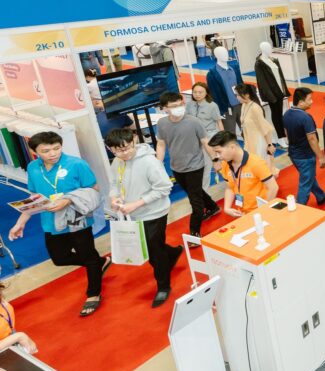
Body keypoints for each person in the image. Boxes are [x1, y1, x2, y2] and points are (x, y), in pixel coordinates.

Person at [9, 131, 108, 317]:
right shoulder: (33, 168)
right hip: (50, 222)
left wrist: (68, 200)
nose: (53, 153)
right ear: (34, 152)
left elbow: (94, 189)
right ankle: (98, 262)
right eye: (46, 151)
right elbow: (34, 198)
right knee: (59, 258)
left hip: (77, 218)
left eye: (57, 148)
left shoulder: (76, 164)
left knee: (87, 256)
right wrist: (20, 223)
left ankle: (93, 294)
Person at [105, 128, 181, 307]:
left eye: (127, 148)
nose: (124, 153)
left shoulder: (149, 162)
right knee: (150, 245)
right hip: (132, 214)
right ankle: (173, 252)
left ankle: (163, 286)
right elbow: (114, 183)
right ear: (110, 149)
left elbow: (164, 188)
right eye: (118, 150)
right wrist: (114, 197)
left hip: (154, 212)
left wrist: (136, 203)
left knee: (154, 253)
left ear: (134, 140)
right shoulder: (117, 162)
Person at [156, 92, 219, 240]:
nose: (179, 108)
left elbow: (205, 142)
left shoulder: (194, 122)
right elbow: (161, 144)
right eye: (174, 106)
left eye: (181, 104)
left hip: (195, 166)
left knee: (195, 200)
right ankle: (213, 207)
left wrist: (215, 160)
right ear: (164, 108)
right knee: (195, 191)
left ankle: (194, 233)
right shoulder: (162, 123)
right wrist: (158, 164)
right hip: (176, 167)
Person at [208, 131, 279, 216]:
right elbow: (229, 187)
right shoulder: (225, 164)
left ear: (232, 147)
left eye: (219, 152)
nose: (217, 156)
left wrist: (262, 211)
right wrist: (227, 208)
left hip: (261, 212)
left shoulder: (256, 163)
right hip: (243, 213)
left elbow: (273, 188)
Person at [283, 87, 325, 206]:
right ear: (301, 102)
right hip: (305, 156)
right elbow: (312, 139)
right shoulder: (305, 117)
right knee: (305, 183)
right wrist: (321, 157)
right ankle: (299, 209)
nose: (312, 101)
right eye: (309, 99)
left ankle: (320, 196)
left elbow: (286, 133)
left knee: (309, 176)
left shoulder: (287, 114)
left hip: (293, 154)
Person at [233, 83, 277, 167]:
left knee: (261, 166)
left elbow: (265, 128)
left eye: (238, 95)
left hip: (258, 142)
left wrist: (269, 145)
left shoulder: (255, 108)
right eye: (236, 95)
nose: (237, 97)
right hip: (249, 141)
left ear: (247, 95)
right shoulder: (244, 105)